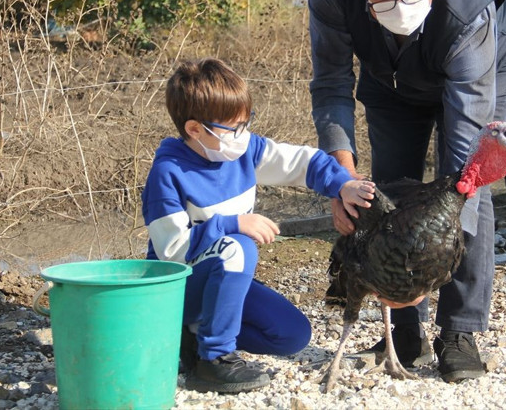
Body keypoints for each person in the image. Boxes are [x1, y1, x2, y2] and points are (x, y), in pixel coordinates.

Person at [308, 0, 506, 382]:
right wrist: (340, 181)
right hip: (389, 76)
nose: (399, 4)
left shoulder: (470, 10)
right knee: (387, 188)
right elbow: (330, 83)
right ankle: (404, 330)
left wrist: (427, 269)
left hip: (477, 68)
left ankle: (459, 329)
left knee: (464, 190)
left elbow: (466, 148)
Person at [141, 58, 375, 394]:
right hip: (177, 290)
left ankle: (190, 338)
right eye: (233, 128)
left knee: (291, 334)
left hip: (221, 279)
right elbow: (172, 251)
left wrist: (343, 185)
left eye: (246, 123)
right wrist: (233, 223)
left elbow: (303, 162)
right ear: (194, 129)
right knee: (239, 247)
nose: (243, 135)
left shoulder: (242, 150)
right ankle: (213, 360)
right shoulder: (168, 173)